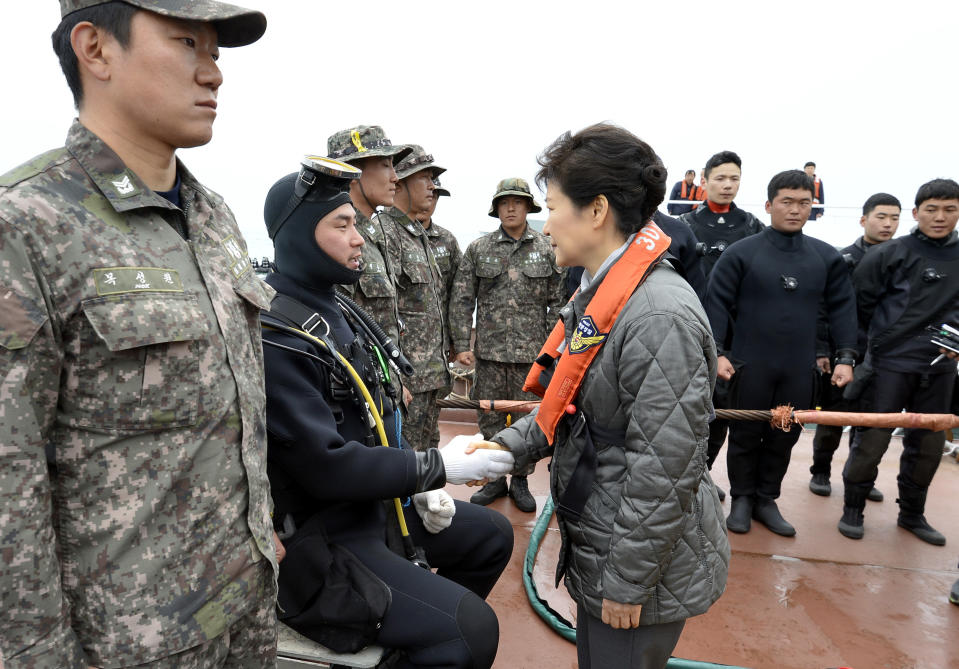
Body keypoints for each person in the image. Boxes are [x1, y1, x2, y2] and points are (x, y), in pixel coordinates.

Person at [0, 2, 279, 667]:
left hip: (244, 608)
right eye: (187, 42)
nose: (212, 74)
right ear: (94, 49)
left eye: (216, 52)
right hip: (123, 643)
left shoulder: (213, 218)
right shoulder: (27, 224)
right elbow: (8, 475)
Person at [475, 123, 729, 669]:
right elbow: (567, 407)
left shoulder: (659, 315)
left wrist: (628, 583)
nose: (545, 226)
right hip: (604, 531)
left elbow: (665, 466)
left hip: (635, 560)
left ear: (596, 211)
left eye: (551, 207)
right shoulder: (603, 291)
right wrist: (498, 452)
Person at [260, 161, 515, 669]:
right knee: (472, 630)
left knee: (492, 535)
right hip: (321, 533)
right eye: (341, 225)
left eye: (355, 223)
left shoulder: (335, 307)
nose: (358, 239)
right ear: (297, 236)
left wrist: (415, 487)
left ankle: (412, 636)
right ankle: (423, 637)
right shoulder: (280, 335)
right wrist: (434, 468)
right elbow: (326, 467)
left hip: (369, 508)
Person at [706, 170, 857, 537]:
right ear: (769, 205)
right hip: (748, 362)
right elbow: (716, 305)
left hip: (797, 367)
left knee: (784, 433)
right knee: (744, 432)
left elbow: (841, 309)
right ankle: (742, 498)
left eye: (804, 203)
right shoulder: (742, 253)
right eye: (787, 202)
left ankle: (765, 499)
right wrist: (719, 353)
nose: (795, 210)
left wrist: (845, 357)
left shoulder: (825, 257)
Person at [838, 178, 959, 544]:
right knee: (871, 441)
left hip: (940, 369)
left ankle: (912, 514)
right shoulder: (889, 254)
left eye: (950, 209)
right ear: (917, 212)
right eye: (932, 209)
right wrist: (861, 355)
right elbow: (858, 308)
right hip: (889, 365)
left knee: (928, 447)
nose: (940, 217)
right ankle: (853, 508)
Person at [449, 178, 566, 513]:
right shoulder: (479, 249)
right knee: (488, 417)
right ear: (496, 208)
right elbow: (462, 299)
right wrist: (461, 344)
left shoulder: (548, 248)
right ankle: (493, 479)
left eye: (517, 202)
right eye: (504, 202)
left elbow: (559, 303)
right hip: (489, 353)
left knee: (527, 419)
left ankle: (521, 480)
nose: (511, 208)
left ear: (528, 207)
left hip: (533, 356)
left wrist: (551, 350)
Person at [677, 151, 764, 497]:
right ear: (704, 179)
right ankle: (684, 473)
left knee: (723, 409)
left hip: (733, 334)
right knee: (685, 408)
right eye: (720, 178)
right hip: (690, 329)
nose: (728, 186)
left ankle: (703, 474)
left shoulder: (752, 227)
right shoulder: (683, 226)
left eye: (734, 179)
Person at [809, 193, 901, 499]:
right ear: (864, 220)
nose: (888, 224)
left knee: (872, 422)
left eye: (894, 218)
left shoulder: (903, 262)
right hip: (842, 353)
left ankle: (863, 477)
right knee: (832, 417)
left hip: (884, 357)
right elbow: (823, 308)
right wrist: (822, 350)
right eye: (881, 217)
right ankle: (820, 470)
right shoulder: (843, 260)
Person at [381, 146, 452, 452]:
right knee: (405, 460)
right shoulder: (385, 233)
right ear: (402, 182)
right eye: (425, 178)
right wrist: (397, 377)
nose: (432, 186)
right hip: (407, 377)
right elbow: (381, 312)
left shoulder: (416, 235)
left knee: (427, 454)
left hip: (430, 374)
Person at [326, 125, 412, 348]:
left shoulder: (374, 234)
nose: (395, 178)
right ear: (352, 172)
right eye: (385, 166)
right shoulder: (337, 239)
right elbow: (336, 328)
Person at [417, 177, 462, 304]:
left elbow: (460, 289)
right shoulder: (390, 235)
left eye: (434, 197)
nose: (428, 203)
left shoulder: (447, 239)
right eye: (425, 196)